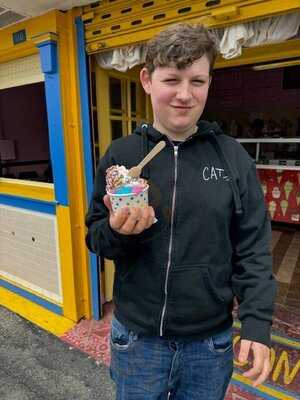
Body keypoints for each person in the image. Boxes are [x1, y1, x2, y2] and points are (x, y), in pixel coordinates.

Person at [85, 23, 277, 400]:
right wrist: (117, 231)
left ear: (209, 83)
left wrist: (256, 324)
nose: (185, 95)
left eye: (198, 81)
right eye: (172, 79)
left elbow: (253, 248)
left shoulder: (233, 158)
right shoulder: (122, 156)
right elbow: (96, 238)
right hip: (137, 341)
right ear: (147, 79)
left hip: (210, 345)